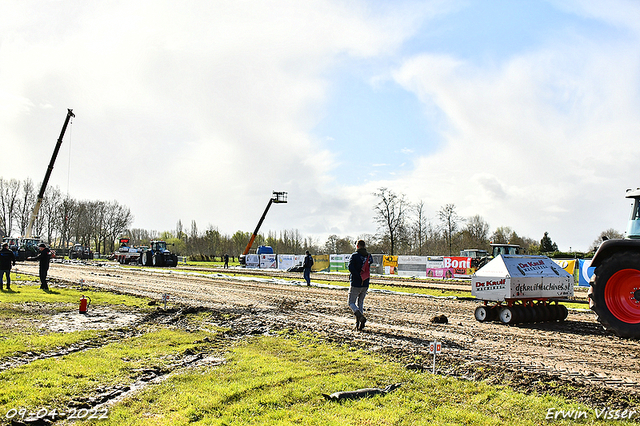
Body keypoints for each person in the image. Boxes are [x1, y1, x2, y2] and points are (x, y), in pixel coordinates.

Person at [348, 239, 373, 331]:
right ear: (365, 246)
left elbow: (350, 267)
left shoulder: (354, 256)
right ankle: (358, 324)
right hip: (365, 282)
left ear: (357, 246)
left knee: (351, 302)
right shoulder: (369, 256)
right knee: (360, 303)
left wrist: (356, 276)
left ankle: (360, 317)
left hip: (356, 282)